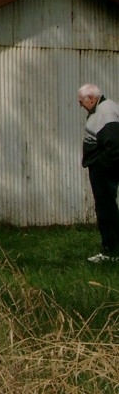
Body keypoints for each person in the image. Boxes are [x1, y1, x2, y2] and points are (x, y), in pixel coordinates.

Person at [77, 83, 119, 263]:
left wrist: (100, 165)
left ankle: (111, 251)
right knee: (106, 208)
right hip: (101, 167)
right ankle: (112, 248)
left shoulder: (105, 111)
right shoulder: (103, 109)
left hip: (104, 169)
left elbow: (114, 145)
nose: (81, 106)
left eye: (81, 102)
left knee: (106, 209)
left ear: (91, 98)